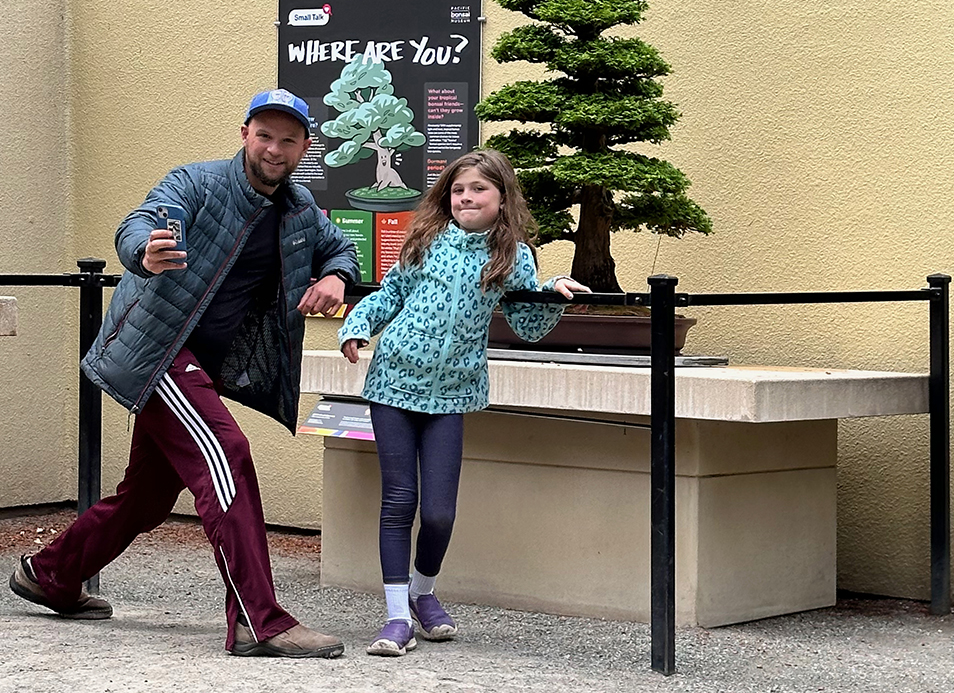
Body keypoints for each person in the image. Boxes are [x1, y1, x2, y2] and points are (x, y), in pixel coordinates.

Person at [8, 89, 361, 659]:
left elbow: (341, 249)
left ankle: (50, 574)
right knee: (228, 455)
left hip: (202, 367)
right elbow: (140, 223)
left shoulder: (299, 211)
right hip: (157, 351)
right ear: (244, 134)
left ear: (304, 147)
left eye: (288, 139)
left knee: (147, 497)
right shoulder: (196, 183)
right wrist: (144, 252)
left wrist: (336, 277)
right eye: (264, 135)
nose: (274, 148)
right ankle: (258, 621)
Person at [337, 149, 589, 656]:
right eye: (458, 190)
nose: (466, 198)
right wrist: (357, 325)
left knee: (439, 514)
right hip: (393, 382)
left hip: (452, 392)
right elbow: (390, 295)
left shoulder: (513, 256)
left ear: (502, 198)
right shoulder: (425, 240)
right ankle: (396, 618)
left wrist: (551, 292)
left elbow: (526, 325)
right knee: (399, 501)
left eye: (478, 189)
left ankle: (422, 593)